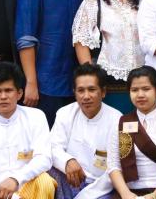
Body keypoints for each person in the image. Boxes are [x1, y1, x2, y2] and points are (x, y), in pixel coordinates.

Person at [15, 0, 90, 127]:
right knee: (48, 139)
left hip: (78, 82)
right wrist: (31, 82)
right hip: (46, 82)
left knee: (77, 137)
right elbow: (25, 38)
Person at [72, 0, 144, 113]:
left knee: (137, 125)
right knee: (113, 124)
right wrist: (92, 79)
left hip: (140, 80)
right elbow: (81, 40)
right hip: (108, 82)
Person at [0, 62, 56, 199]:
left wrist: (16, 179)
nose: (3, 96)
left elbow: (44, 158)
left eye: (8, 90)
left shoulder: (36, 117)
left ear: (19, 93)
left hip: (25, 183)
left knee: (45, 182)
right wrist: (10, 196)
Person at [49, 63, 121, 199]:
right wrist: (68, 161)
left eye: (92, 89)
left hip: (99, 188)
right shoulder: (65, 113)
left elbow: (115, 168)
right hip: (68, 181)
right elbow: (52, 147)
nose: (86, 96)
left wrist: (84, 196)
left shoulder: (116, 119)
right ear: (74, 93)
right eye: (81, 90)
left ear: (103, 92)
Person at [108, 66, 156, 199]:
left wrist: (155, 195)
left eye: (146, 89)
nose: (140, 95)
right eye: (134, 90)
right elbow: (113, 165)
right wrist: (126, 194)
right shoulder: (120, 123)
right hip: (128, 193)